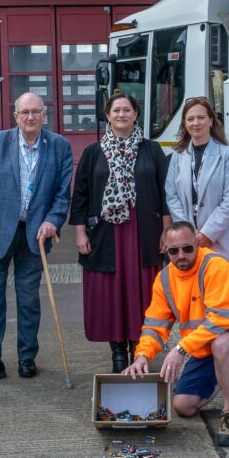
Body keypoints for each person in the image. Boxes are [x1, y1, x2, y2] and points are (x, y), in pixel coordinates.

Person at [0, 93, 73, 384]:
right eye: (25, 112)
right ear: (15, 115)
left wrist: (52, 220)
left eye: (36, 112)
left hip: (34, 237)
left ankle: (26, 357)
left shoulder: (59, 146)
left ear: (44, 115)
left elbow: (62, 194)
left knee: (29, 301)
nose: (30, 117)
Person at [123, 221, 229, 447]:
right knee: (183, 406)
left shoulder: (216, 267)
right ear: (166, 249)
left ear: (197, 244)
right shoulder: (164, 279)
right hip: (203, 345)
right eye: (173, 251)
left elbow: (220, 321)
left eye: (187, 248)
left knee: (221, 343)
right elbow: (154, 324)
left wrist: (181, 349)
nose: (181, 255)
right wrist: (142, 356)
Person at [69, 92, 172, 372]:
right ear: (108, 115)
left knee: (144, 293)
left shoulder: (151, 150)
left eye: (127, 109)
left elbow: (166, 193)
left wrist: (166, 231)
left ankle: (141, 351)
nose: (122, 114)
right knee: (111, 293)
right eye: (116, 110)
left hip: (144, 234)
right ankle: (117, 353)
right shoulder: (94, 152)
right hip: (106, 234)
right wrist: (80, 233)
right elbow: (80, 197)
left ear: (136, 114)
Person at [165, 96, 229, 285]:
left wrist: (208, 233)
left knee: (222, 292)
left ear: (211, 120)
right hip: (188, 242)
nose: (196, 123)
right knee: (192, 294)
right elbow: (172, 196)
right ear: (185, 124)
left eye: (201, 118)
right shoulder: (178, 156)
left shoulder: (227, 155)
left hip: (220, 237)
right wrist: (188, 232)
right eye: (190, 119)